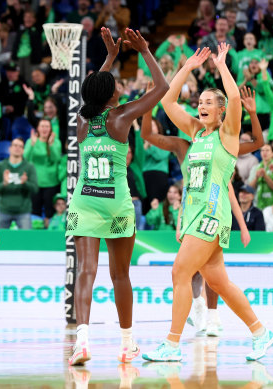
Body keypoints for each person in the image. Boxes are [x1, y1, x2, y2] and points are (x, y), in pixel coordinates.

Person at [143, 44, 273, 363]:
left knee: (180, 273)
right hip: (194, 216)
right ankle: (261, 332)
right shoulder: (195, 133)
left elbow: (233, 98)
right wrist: (186, 67)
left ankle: (172, 345)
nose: (201, 106)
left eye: (207, 103)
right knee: (220, 284)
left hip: (211, 218)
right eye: (199, 102)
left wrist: (222, 66)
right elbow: (168, 101)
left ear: (219, 111)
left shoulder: (227, 135)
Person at [65, 27, 169, 366]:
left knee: (85, 272)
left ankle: (81, 341)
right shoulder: (122, 117)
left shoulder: (82, 120)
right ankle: (128, 344)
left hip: (84, 201)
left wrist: (110, 57)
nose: (120, 89)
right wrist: (144, 51)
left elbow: (94, 90)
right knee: (120, 275)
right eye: (117, 87)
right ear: (112, 95)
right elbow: (163, 88)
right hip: (117, 205)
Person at [0, 137, 38, 230]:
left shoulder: (29, 167)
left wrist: (25, 183)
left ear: (23, 150)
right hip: (3, 210)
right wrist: (4, 183)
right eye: (15, 145)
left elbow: (35, 189)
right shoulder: (0, 166)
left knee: (26, 243)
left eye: (20, 146)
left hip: (23, 211)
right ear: (10, 148)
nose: (17, 148)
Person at [24, 120, 62, 227]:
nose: (44, 129)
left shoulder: (56, 141)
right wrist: (32, 144)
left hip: (51, 183)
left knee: (50, 213)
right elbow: (25, 158)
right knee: (35, 212)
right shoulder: (31, 141)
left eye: (47, 126)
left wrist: (51, 145)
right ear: (38, 128)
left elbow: (56, 159)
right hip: (35, 182)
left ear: (50, 129)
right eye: (42, 126)